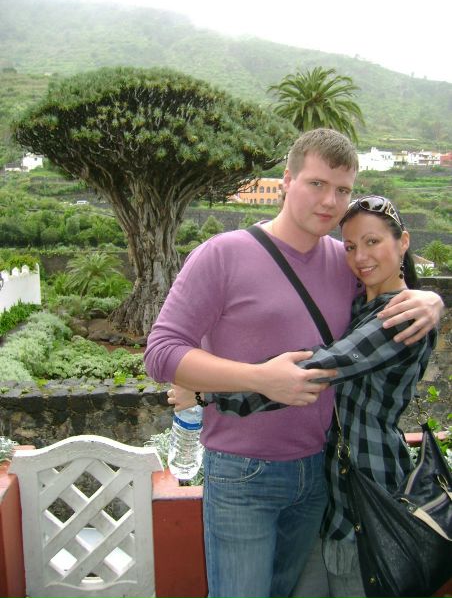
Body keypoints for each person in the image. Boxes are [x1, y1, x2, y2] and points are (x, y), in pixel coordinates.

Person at [144, 129, 443, 598]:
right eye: (317, 184)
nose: (330, 201)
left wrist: (430, 300)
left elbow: (381, 306)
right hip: (243, 472)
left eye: (342, 190)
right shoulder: (223, 254)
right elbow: (161, 352)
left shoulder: (346, 262)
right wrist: (258, 378)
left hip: (321, 475)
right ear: (287, 180)